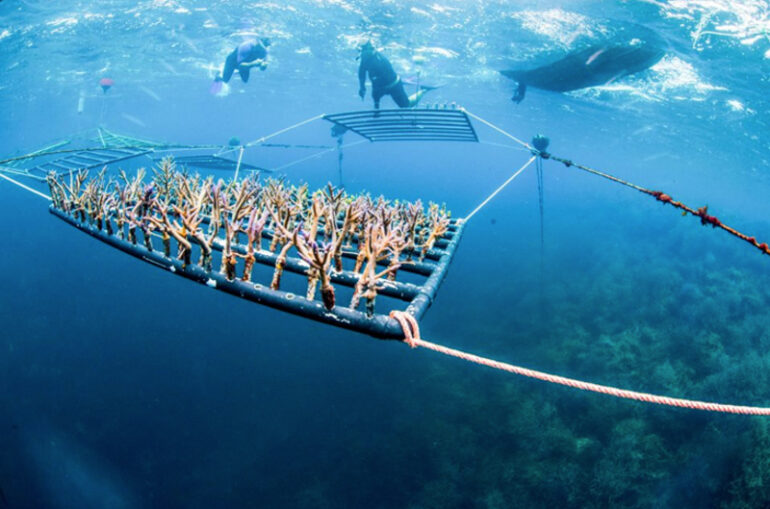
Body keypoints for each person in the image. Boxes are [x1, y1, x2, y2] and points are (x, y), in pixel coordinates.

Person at [500, 33, 665, 103]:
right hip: (580, 74)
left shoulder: (541, 81)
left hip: (581, 72)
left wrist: (522, 86)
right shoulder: (541, 81)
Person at [357, 41, 434, 109]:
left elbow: (384, 77)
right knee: (376, 99)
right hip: (380, 87)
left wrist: (366, 88)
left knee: (405, 105)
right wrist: (362, 88)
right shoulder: (364, 60)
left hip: (394, 85)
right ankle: (376, 112)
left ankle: (423, 90)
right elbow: (361, 75)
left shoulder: (380, 59)